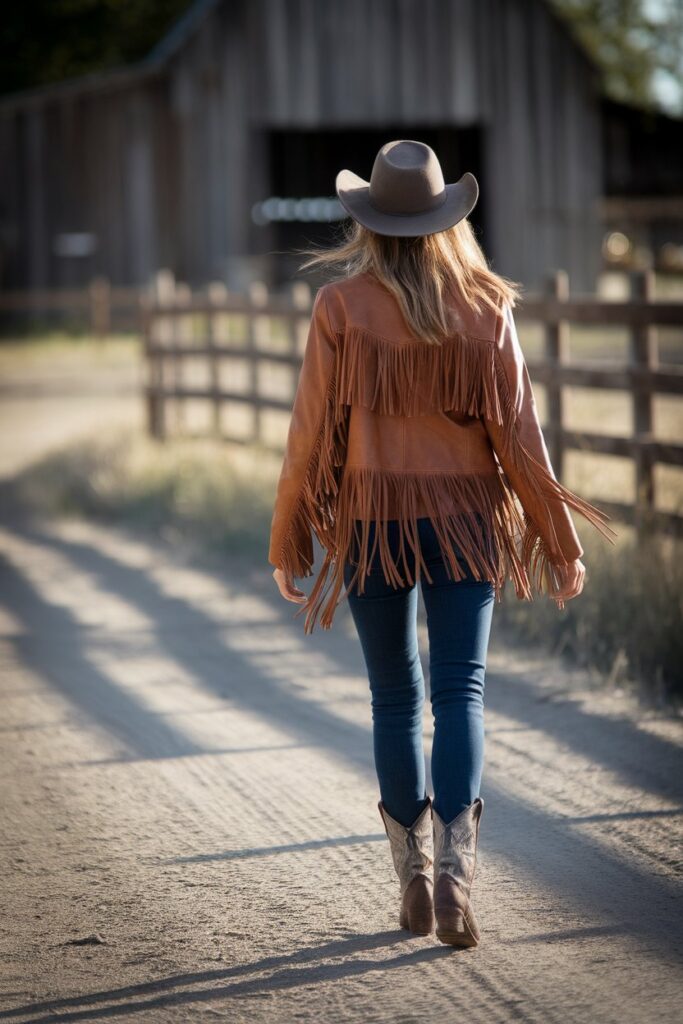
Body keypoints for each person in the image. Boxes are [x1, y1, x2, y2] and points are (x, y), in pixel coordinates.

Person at [267, 140, 617, 948]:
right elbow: (520, 438)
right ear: (444, 222)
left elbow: (307, 436)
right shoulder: (487, 307)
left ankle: (414, 882)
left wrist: (290, 538)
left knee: (393, 699)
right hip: (463, 518)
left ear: (369, 225)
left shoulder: (341, 307)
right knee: (460, 693)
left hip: (370, 525)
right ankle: (458, 879)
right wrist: (559, 543)